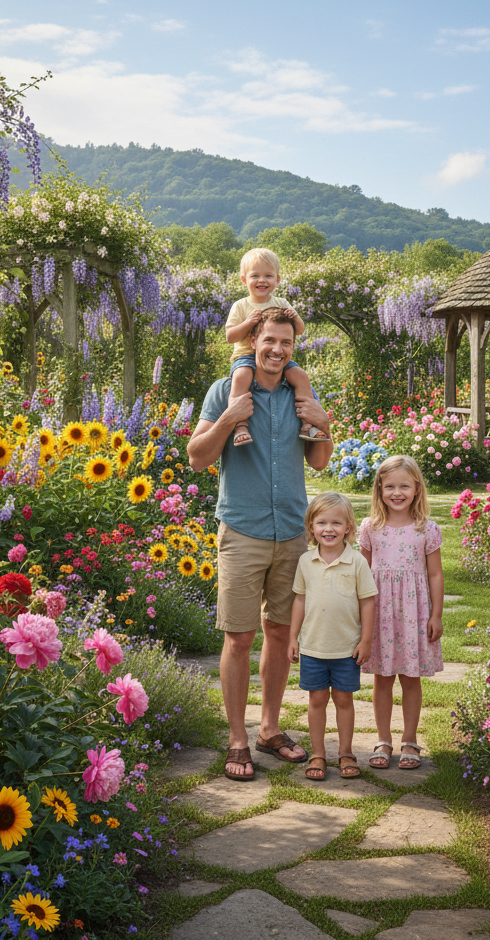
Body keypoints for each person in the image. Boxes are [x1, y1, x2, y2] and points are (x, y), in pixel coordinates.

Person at [187, 308, 335, 781]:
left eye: (285, 343)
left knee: (277, 634)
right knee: (238, 637)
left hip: (292, 531)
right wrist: (230, 418)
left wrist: (325, 424)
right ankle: (237, 739)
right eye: (268, 341)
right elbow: (196, 459)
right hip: (243, 530)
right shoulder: (222, 391)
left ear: (294, 348)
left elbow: (318, 462)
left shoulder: (300, 395)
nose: (276, 350)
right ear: (253, 340)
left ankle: (269, 730)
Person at [359, 454, 444, 771]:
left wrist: (436, 615)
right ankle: (383, 739)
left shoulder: (427, 529)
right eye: (390, 486)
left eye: (404, 486)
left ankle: (410, 740)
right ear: (379, 488)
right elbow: (362, 571)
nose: (397, 493)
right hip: (380, 612)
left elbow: (435, 575)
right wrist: (359, 616)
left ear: (417, 488)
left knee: (410, 678)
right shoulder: (371, 527)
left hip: (414, 612)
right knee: (382, 678)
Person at [288, 493, 377, 782]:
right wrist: (293, 639)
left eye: (336, 522)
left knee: (343, 700)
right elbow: (299, 601)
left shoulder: (357, 562)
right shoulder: (305, 561)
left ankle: (346, 752)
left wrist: (365, 640)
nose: (329, 528)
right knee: (316, 700)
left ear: (349, 527)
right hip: (314, 647)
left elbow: (367, 602)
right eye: (321, 522)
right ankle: (318, 754)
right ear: (311, 527)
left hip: (346, 649)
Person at [223, 247, 329, 447]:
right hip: (246, 356)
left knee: (300, 376)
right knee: (241, 377)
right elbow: (230, 336)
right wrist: (248, 323)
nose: (262, 280)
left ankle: (308, 423)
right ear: (244, 280)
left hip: (277, 359)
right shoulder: (241, 306)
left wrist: (295, 317)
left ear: (277, 280)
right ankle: (239, 425)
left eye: (268, 276)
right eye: (255, 275)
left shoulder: (281, 302)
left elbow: (298, 330)